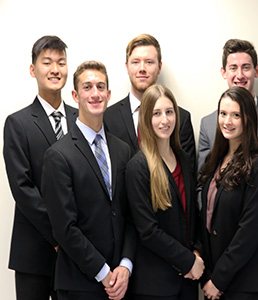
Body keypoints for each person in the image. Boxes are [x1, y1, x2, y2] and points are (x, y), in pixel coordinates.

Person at [41, 61, 135, 300]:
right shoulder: (58, 155)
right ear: (75, 95)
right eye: (88, 87)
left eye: (101, 87)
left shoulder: (122, 150)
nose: (95, 93)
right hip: (79, 284)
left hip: (121, 283)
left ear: (109, 94)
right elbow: (64, 228)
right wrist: (103, 273)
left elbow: (130, 214)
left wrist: (125, 265)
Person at [3, 35, 77, 300]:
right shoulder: (17, 123)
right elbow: (23, 188)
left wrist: (74, 241)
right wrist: (60, 236)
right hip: (33, 251)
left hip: (77, 255)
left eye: (61, 62)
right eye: (47, 62)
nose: (55, 69)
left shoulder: (81, 119)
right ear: (33, 70)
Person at [125, 84, 204, 300]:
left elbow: (192, 216)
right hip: (155, 286)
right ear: (146, 119)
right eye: (156, 113)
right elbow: (148, 231)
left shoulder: (183, 159)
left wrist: (196, 252)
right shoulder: (138, 167)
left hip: (187, 281)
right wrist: (187, 260)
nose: (164, 120)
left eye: (169, 112)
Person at [198, 86, 258, 300]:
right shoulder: (215, 160)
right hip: (212, 278)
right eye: (223, 114)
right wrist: (209, 276)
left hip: (243, 282)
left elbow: (248, 230)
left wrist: (219, 279)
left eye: (235, 115)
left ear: (248, 119)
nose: (227, 121)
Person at [103, 33, 196, 172]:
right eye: (135, 62)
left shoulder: (180, 118)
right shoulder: (108, 118)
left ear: (159, 67)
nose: (142, 68)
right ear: (127, 67)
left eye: (149, 62)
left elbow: (188, 175)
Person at [198, 38, 258, 171]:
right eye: (233, 68)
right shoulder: (208, 124)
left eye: (246, 68)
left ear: (256, 71)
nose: (239, 75)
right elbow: (202, 180)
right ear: (224, 72)